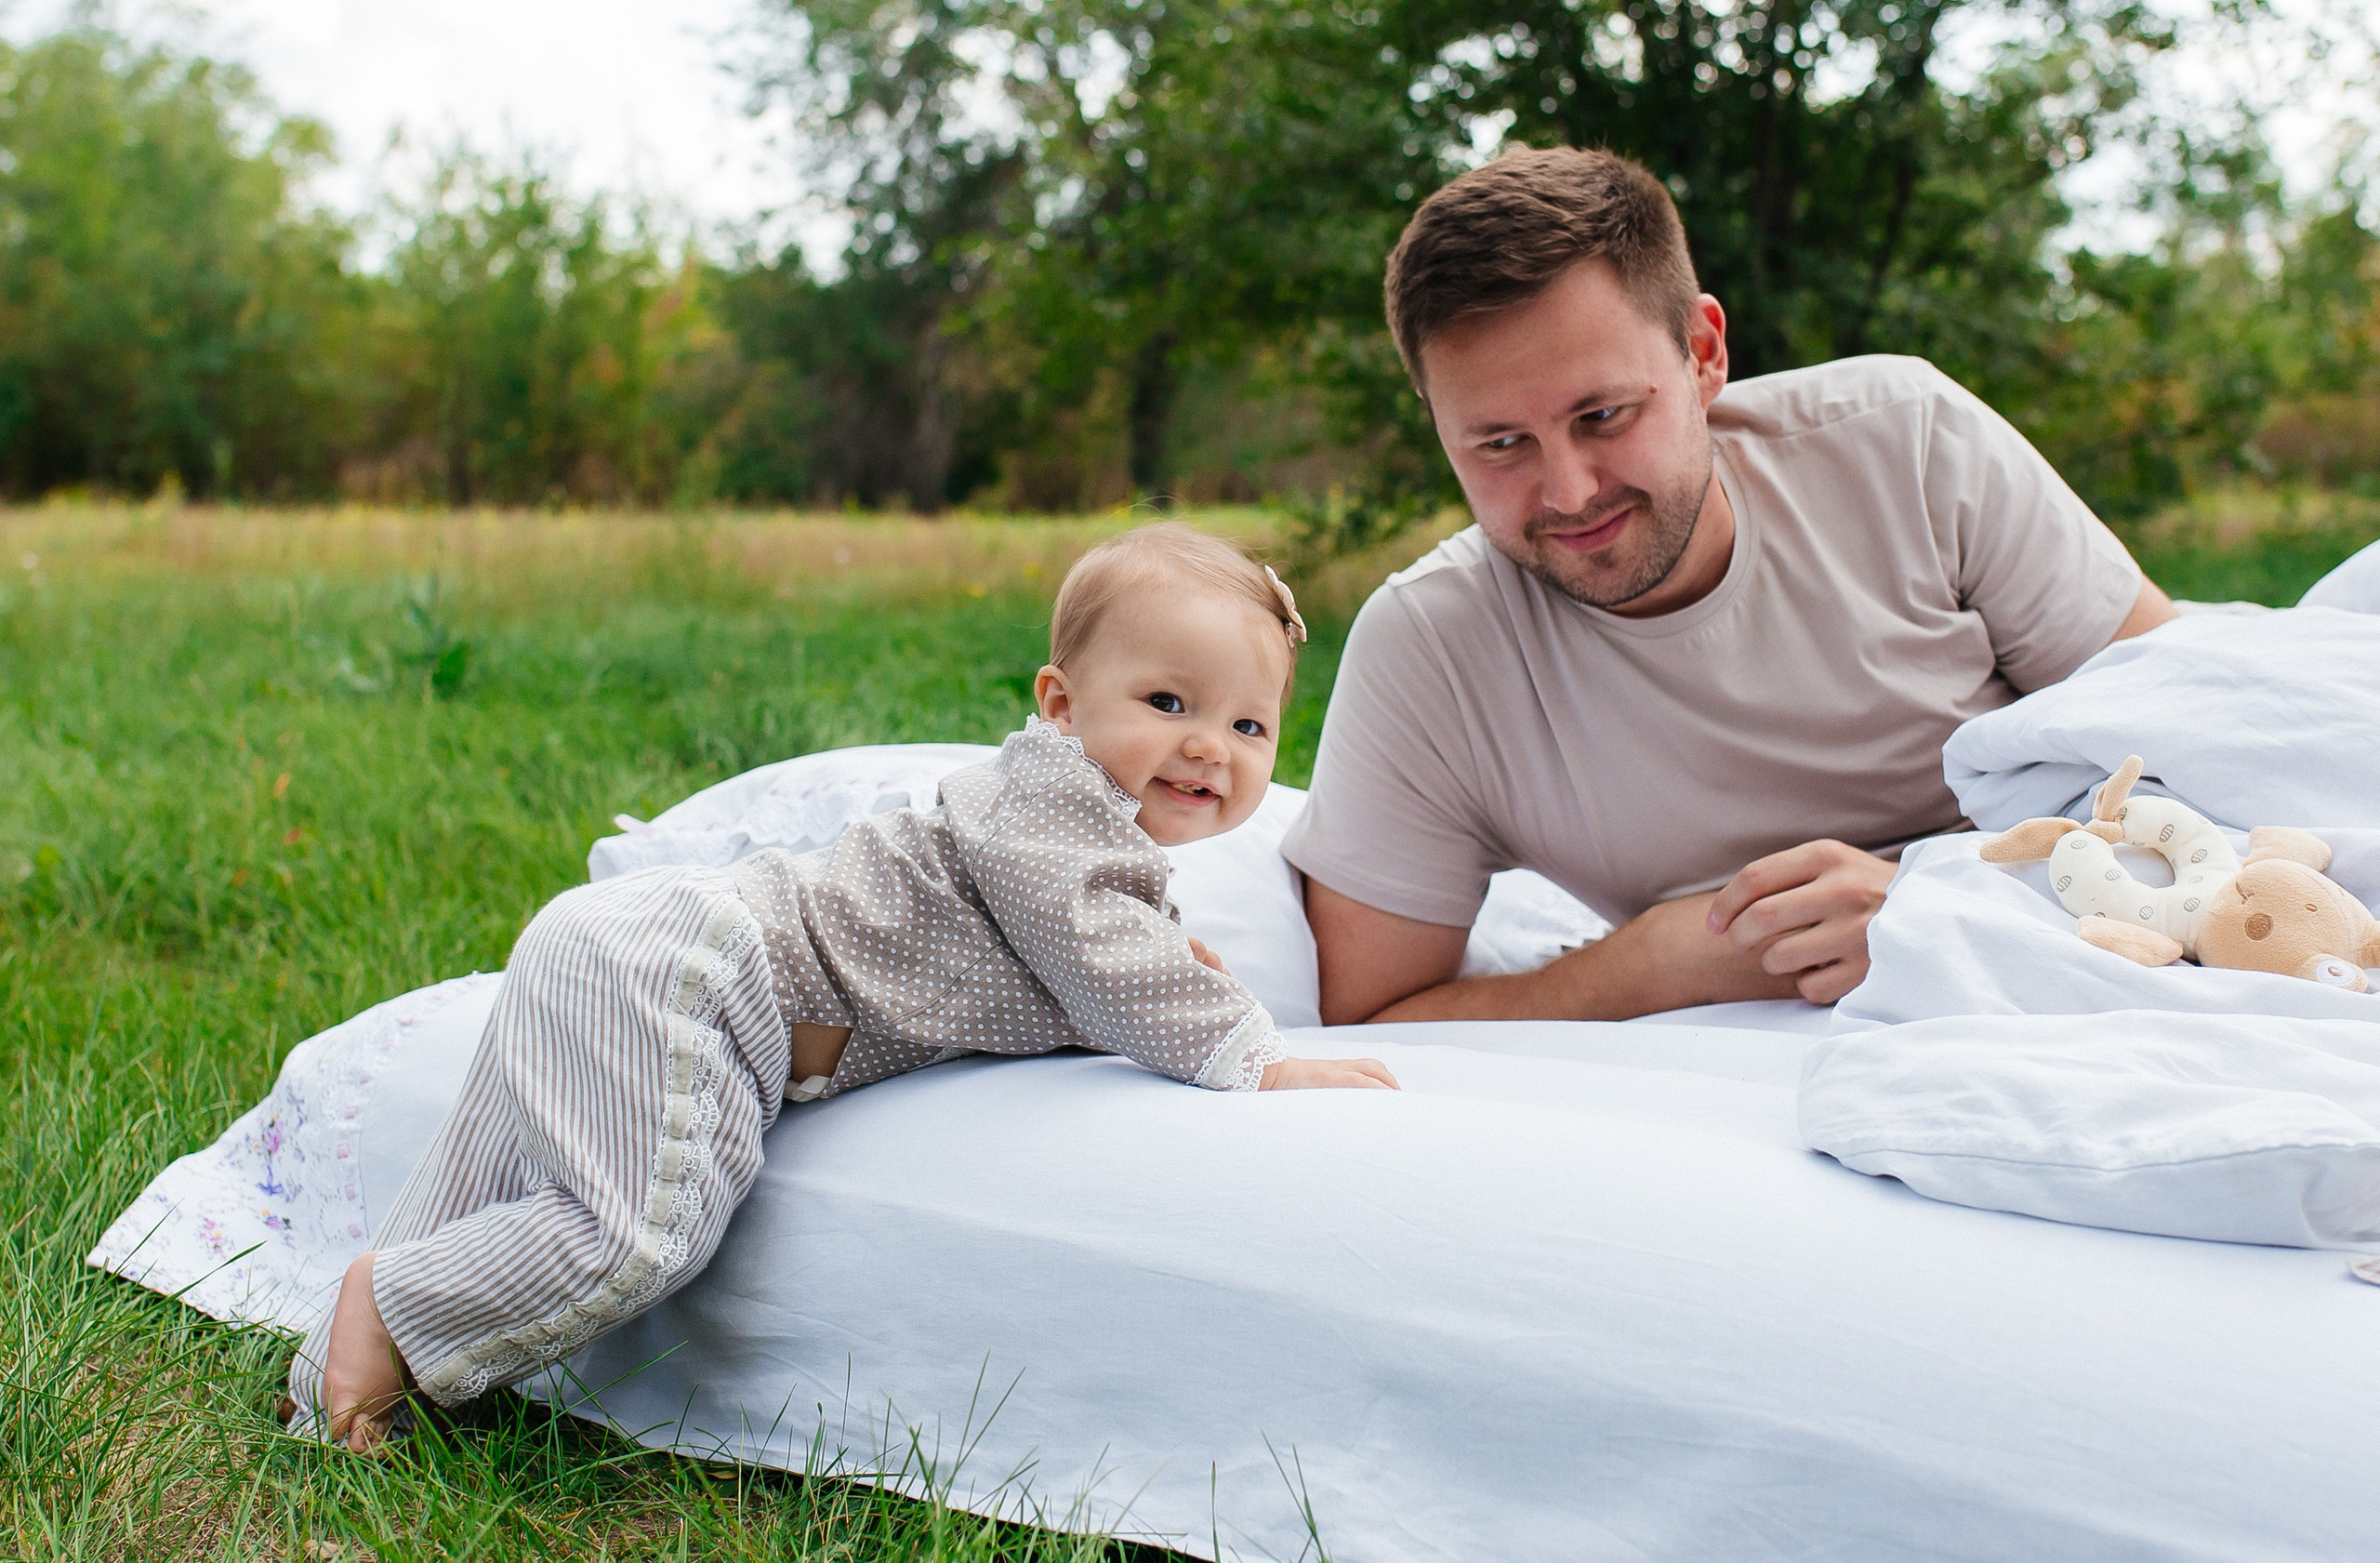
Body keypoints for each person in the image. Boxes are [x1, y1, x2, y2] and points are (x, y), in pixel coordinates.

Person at [294, 523, 1398, 1450]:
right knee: (645, 1232)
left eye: (1251, 725)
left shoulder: (1077, 848)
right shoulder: (1050, 802)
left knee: (488, 1168)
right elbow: (1089, 943)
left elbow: (1083, 953)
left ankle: (338, 1386)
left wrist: (1166, 964)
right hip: (702, 966)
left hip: (646, 949)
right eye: (1168, 701)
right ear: (1060, 706)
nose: (1212, 746)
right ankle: (395, 1308)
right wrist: (1253, 1052)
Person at [1282, 146, 2179, 1027]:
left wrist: (1939, 904)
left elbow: (2197, 748)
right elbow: (1374, 1009)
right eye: (1499, 444)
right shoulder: (1429, 649)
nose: (1569, 492)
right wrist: (1653, 961)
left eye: (1603, 416)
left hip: (2042, 902)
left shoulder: (1906, 442)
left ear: (1704, 353)